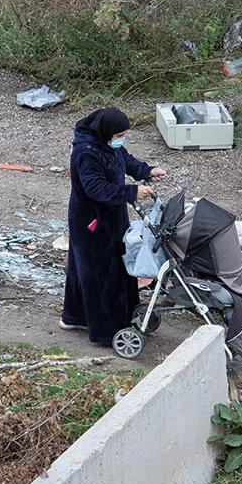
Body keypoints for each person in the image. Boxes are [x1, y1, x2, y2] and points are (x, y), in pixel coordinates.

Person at [60, 107, 166, 346]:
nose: (122, 139)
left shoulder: (106, 144)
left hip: (112, 215)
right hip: (92, 221)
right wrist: (132, 191)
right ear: (106, 132)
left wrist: (146, 170)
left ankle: (75, 316)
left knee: (87, 268)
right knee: (100, 272)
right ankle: (105, 330)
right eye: (119, 135)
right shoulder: (86, 153)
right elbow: (95, 188)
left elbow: (124, 160)